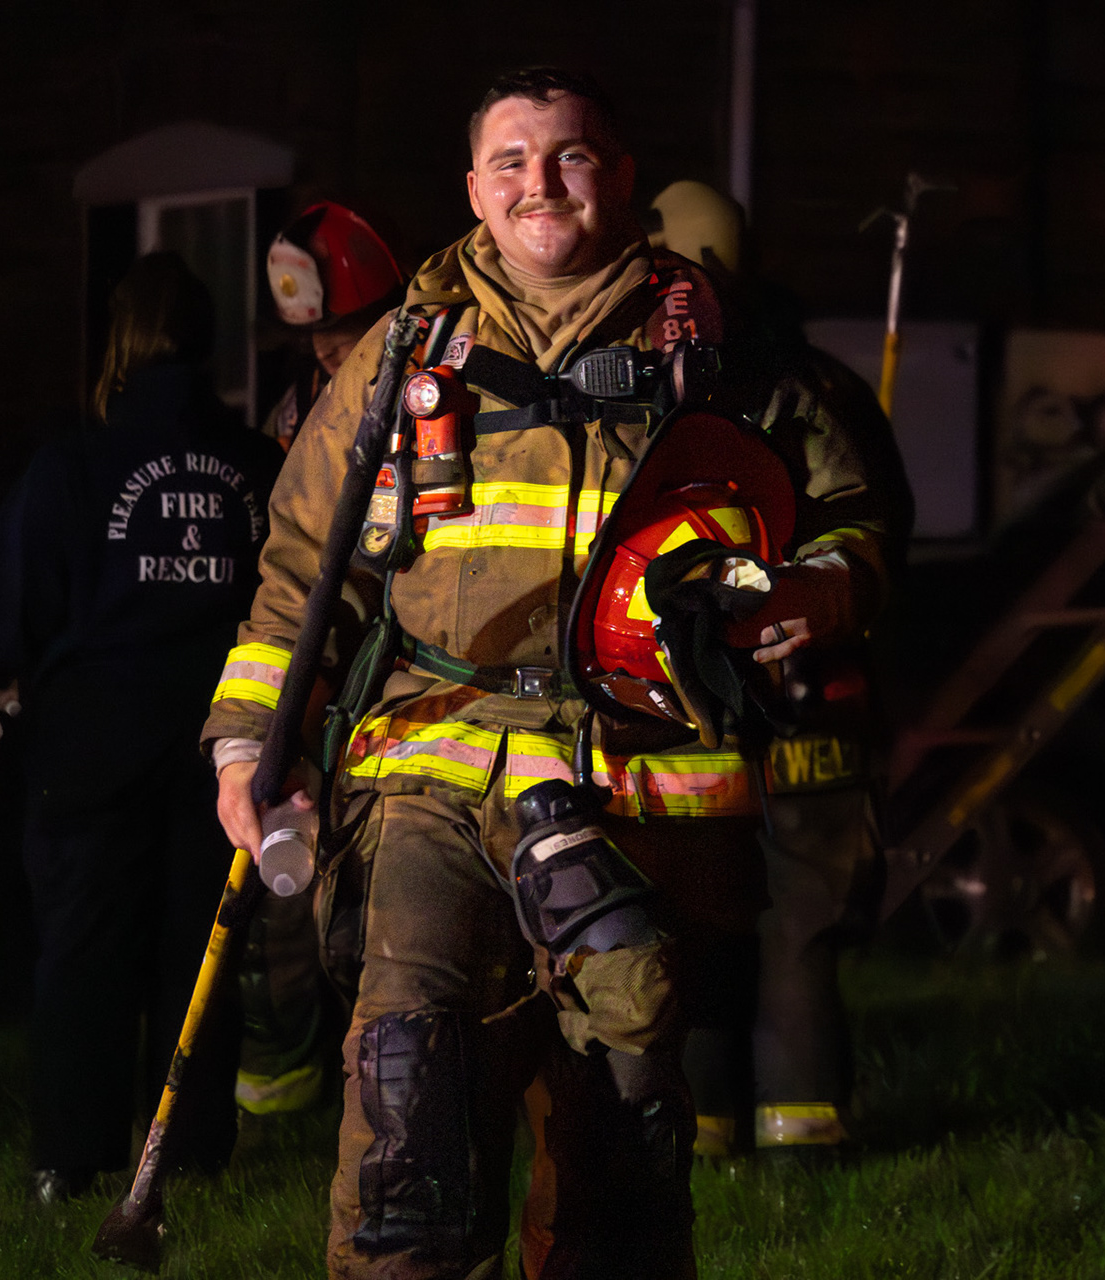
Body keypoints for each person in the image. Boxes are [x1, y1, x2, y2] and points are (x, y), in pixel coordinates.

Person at [203, 68, 903, 1279]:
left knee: (617, 1167)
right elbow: (300, 576)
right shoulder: (402, 355)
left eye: (571, 156)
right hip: (430, 778)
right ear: (474, 189)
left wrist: (810, 591)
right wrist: (244, 743)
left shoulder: (722, 353)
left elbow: (852, 515)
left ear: (620, 178)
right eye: (513, 161)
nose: (542, 182)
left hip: (640, 800)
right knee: (408, 1125)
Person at [0, 252, 283, 1203]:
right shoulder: (257, 467)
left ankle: (70, 1159)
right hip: (224, 746)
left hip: (89, 744)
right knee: (198, 946)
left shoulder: (75, 466)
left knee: (85, 945)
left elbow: (7, 618)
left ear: (118, 342)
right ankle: (191, 1153)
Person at [646, 180, 910, 1159]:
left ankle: (753, 1135)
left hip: (767, 699)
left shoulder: (774, 395)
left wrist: (796, 596)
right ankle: (766, 1133)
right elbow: (880, 532)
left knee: (744, 915)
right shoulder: (806, 386)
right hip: (761, 702)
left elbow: (863, 535)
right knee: (771, 919)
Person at [238, 203, 404, 1120]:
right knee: (297, 896)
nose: (332, 358)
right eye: (318, 342)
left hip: (401, 699)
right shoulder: (299, 415)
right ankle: (290, 1086)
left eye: (345, 337)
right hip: (324, 698)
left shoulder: (431, 388)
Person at [261, 202, 405, 452]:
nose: (321, 350)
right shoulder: (298, 404)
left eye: (336, 329)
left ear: (384, 320)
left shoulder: (420, 393)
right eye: (312, 333)